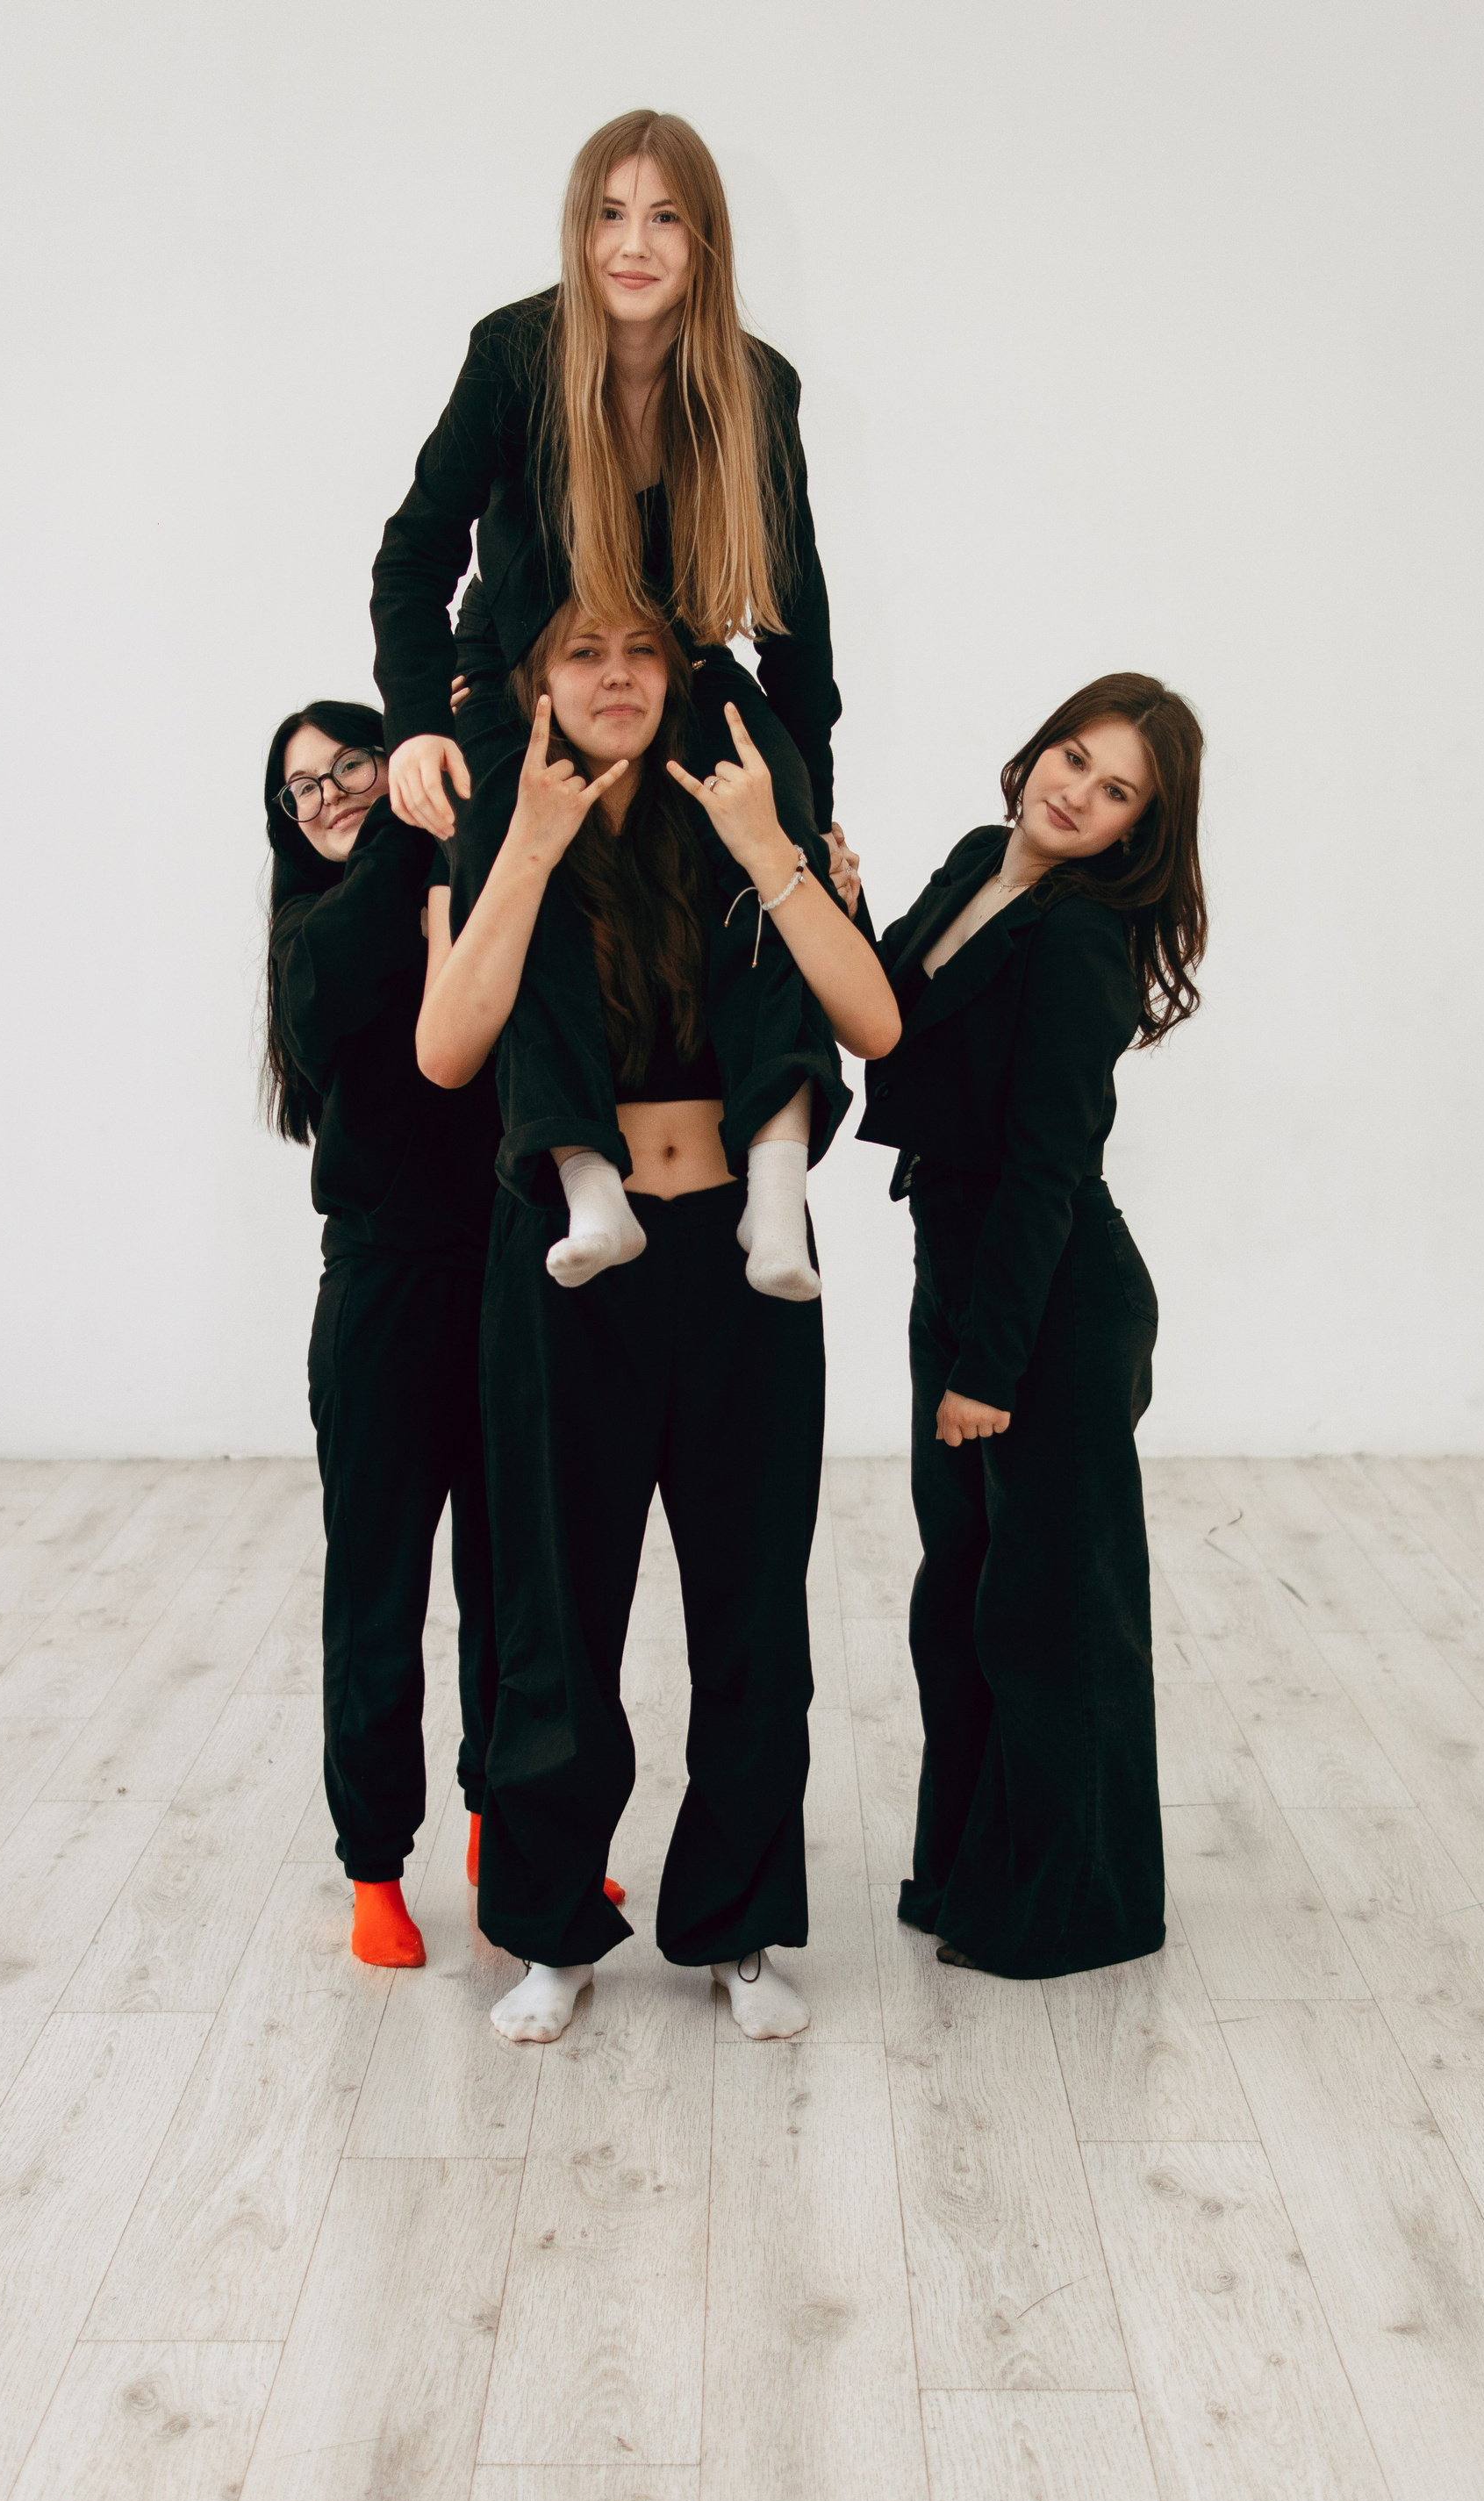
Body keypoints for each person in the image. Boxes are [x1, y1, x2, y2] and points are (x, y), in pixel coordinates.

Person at [417, 599, 900, 2044]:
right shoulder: (509, 813)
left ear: (679, 666)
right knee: (557, 1613)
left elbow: (875, 1024)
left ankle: (737, 1929)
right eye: (583, 652)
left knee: (753, 1613)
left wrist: (778, 856)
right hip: (571, 1270)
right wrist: (525, 847)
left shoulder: (739, 788)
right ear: (538, 678)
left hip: (747, 1261)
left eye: (640, 650)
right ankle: (551, 1928)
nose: (615, 675)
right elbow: (447, 1051)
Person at [373, 107, 850, 1292]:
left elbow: (797, 624)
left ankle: (777, 1176)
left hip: (674, 670)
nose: (633, 246)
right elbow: (414, 554)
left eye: (666, 219)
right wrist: (418, 723)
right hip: (522, 676)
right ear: (579, 230)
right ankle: (583, 1173)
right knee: (512, 848)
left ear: (705, 242)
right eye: (610, 215)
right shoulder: (515, 356)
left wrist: (813, 814)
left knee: (775, 824)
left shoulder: (755, 387)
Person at [263, 704, 625, 1971]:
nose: (328, 795)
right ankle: (375, 1864)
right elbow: (370, 993)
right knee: (378, 1588)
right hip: (382, 1290)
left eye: (349, 765)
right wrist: (412, 826)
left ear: (395, 759)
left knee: (512, 1577)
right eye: (301, 788)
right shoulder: (317, 934)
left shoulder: (467, 886)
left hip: (511, 1268)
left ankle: (498, 1822)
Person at [857, 673, 1207, 1979]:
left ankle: (1076, 1907)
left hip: (1048, 1302)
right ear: (1036, 751)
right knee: (961, 1593)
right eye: (1073, 757)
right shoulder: (975, 862)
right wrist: (837, 903)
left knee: (1052, 1611)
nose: (1077, 794)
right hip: (957, 1267)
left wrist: (989, 1367)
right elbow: (892, 1018)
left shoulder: (1081, 939)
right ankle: (972, 1872)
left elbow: (1050, 1167)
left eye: (1116, 793)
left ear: (1136, 832)